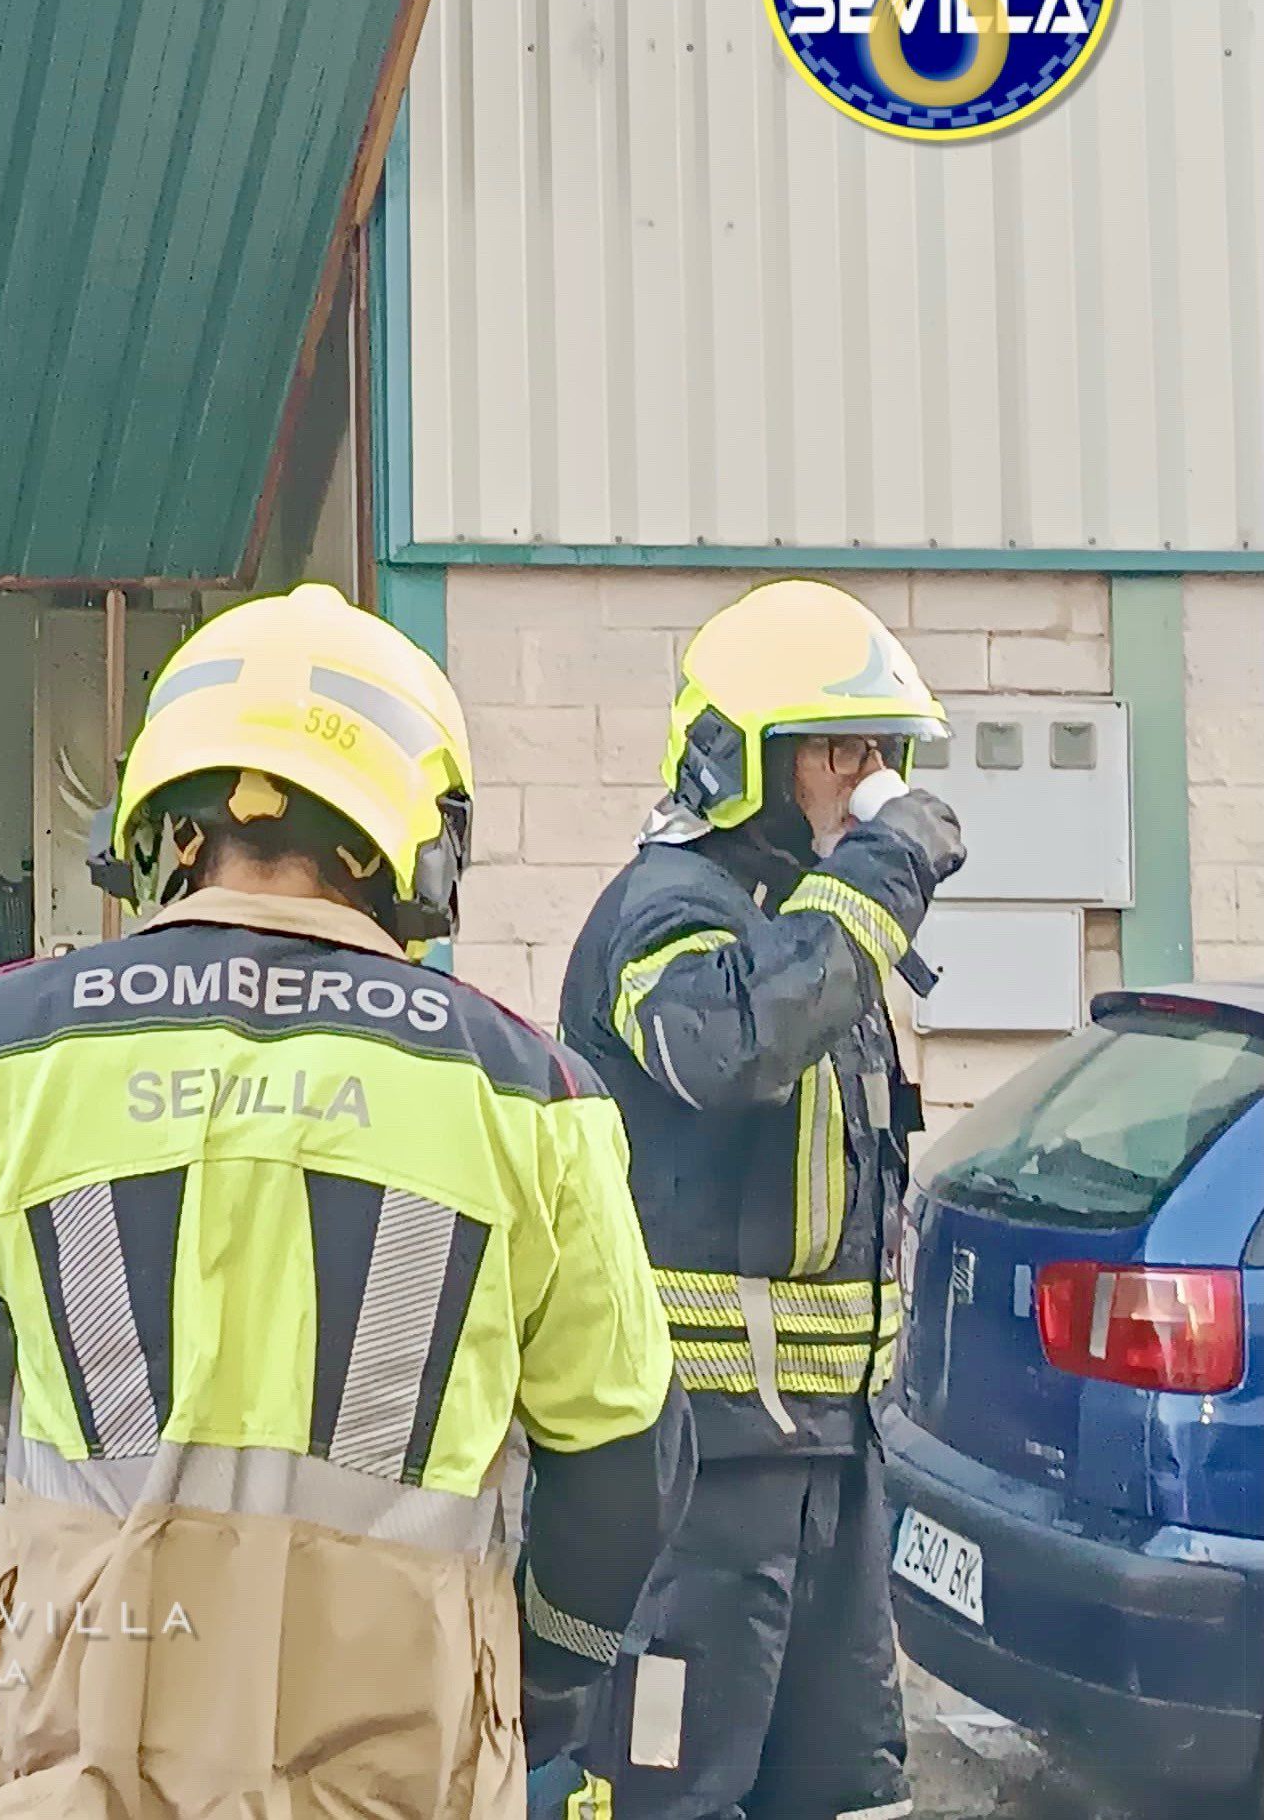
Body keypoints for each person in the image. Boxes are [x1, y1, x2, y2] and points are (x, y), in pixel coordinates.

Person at [0, 584, 691, 1820]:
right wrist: (546, 1675)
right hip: (396, 1760)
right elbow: (624, 1464)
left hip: (90, 1756)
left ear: (163, 820)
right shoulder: (528, 1092)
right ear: (416, 836)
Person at [556, 581, 966, 1820]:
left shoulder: (814, 925)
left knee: (847, 1789)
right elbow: (727, 1051)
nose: (866, 777)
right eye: (834, 749)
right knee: (667, 1790)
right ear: (745, 759)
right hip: (699, 1474)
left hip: (831, 1465)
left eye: (880, 751)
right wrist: (885, 871)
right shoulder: (663, 915)